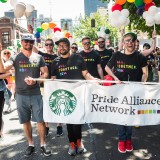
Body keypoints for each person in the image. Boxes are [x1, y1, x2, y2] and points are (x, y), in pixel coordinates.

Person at [0, 34, 51, 157]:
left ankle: (43, 145)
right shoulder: (15, 58)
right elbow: (3, 69)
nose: (28, 43)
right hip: (21, 95)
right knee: (25, 121)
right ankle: (31, 144)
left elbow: (46, 74)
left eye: (30, 41)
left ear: (33, 42)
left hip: (36, 94)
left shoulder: (39, 57)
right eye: (25, 41)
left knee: (40, 120)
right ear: (22, 42)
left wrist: (36, 80)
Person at [51, 38, 96, 156]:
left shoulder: (78, 58)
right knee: (69, 122)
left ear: (69, 46)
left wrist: (95, 80)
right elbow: (53, 79)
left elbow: (85, 74)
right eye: (60, 46)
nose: (62, 47)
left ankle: (79, 143)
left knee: (77, 121)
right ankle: (72, 144)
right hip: (64, 97)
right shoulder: (55, 62)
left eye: (64, 45)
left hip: (79, 94)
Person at [105, 32, 148, 153]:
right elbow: (107, 68)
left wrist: (141, 84)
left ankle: (128, 139)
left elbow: (145, 73)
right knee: (120, 116)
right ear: (123, 43)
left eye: (132, 40)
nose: (130, 43)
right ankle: (121, 140)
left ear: (135, 42)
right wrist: (115, 78)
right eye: (127, 40)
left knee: (130, 117)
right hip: (119, 92)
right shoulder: (117, 55)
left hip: (134, 93)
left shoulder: (140, 57)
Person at [38, 39, 63, 137]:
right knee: (45, 106)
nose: (48, 46)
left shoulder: (58, 57)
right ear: (45, 46)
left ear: (53, 46)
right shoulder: (41, 56)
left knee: (56, 104)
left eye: (50, 44)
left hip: (55, 84)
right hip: (43, 85)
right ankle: (47, 126)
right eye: (47, 44)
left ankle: (59, 126)